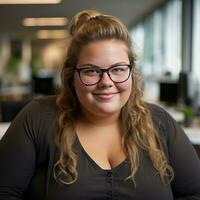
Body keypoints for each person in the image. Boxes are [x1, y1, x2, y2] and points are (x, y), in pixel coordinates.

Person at [0, 9, 200, 200]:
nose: (106, 82)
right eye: (91, 71)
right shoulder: (38, 117)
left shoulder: (160, 122)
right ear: (72, 77)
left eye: (118, 69)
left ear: (132, 73)